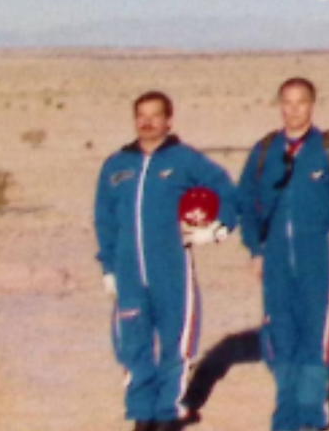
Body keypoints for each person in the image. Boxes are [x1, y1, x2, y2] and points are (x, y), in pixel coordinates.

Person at [93, 90, 239, 431]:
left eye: (155, 115)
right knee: (133, 343)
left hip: (171, 269)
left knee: (176, 341)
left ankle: (167, 414)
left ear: (168, 120)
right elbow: (104, 219)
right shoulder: (117, 166)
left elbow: (227, 191)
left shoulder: (185, 160)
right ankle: (142, 415)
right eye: (141, 115)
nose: (147, 122)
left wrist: (217, 229)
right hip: (128, 271)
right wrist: (109, 269)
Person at [237, 77, 329, 431]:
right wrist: (255, 249)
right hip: (275, 255)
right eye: (287, 103)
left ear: (312, 105)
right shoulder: (264, 151)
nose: (294, 110)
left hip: (318, 253)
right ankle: (285, 412)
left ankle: (311, 412)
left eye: (301, 102)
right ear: (280, 106)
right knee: (280, 332)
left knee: (317, 332)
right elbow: (245, 201)